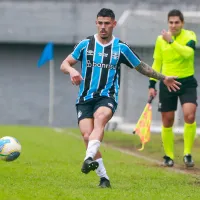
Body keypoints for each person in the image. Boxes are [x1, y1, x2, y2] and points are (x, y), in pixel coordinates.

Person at [61, 8, 180, 188]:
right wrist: (71, 71)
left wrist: (163, 78)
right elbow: (65, 63)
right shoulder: (85, 44)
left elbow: (142, 67)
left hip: (107, 97)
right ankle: (104, 178)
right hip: (85, 97)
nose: (103, 27)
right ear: (96, 23)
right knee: (87, 136)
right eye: (100, 23)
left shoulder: (121, 48)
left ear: (113, 24)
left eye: (107, 23)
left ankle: (87, 158)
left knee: (100, 120)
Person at [148, 9, 198, 167]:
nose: (174, 25)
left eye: (177, 22)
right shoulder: (159, 40)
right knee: (167, 120)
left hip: (187, 82)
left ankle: (187, 154)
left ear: (182, 23)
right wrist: (152, 84)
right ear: (168, 23)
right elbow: (157, 62)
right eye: (171, 22)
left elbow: (188, 54)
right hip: (167, 82)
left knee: (189, 116)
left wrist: (171, 41)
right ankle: (168, 156)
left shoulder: (190, 36)